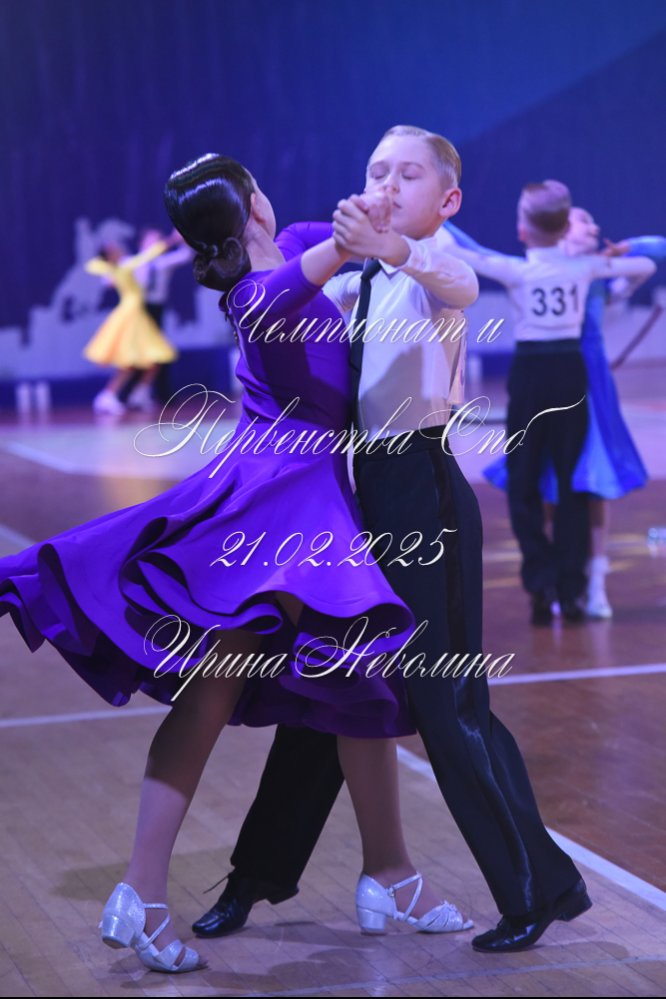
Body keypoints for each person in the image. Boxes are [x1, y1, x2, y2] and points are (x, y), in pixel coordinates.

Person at [0, 153, 477, 975]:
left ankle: (376, 872)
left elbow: (351, 231)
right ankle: (164, 888)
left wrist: (384, 204)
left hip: (300, 493)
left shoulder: (288, 245)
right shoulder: (257, 292)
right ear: (252, 204)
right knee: (280, 683)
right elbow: (321, 260)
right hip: (282, 501)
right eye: (258, 187)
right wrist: (359, 233)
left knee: (330, 683)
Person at [192, 128, 594, 955]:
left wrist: (397, 248)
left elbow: (462, 282)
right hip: (355, 498)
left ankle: (536, 890)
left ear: (446, 200)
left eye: (409, 174)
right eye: (378, 170)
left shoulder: (429, 261)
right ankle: (252, 878)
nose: (389, 182)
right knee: (329, 690)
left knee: (449, 703)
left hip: (422, 492)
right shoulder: (353, 277)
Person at [440, 182, 656, 625]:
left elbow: (468, 254)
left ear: (522, 231)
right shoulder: (585, 268)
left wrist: (436, 217)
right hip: (569, 373)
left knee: (525, 482)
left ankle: (542, 581)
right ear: (561, 230)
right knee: (570, 479)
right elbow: (646, 263)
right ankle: (572, 588)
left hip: (533, 374)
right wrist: (619, 253)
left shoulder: (517, 270)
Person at [83, 232, 182, 416]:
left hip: (136, 312)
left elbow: (98, 269)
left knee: (155, 358)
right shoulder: (124, 266)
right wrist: (172, 240)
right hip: (131, 313)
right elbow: (148, 255)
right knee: (131, 361)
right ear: (110, 255)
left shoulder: (119, 266)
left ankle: (138, 393)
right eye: (113, 249)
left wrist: (108, 268)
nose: (118, 248)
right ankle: (108, 395)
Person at [120, 228, 193, 412]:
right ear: (141, 243)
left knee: (160, 353)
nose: (155, 244)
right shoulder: (135, 262)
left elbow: (185, 255)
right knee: (141, 354)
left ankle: (155, 393)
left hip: (157, 310)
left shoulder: (162, 263)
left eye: (157, 240)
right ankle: (128, 394)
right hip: (140, 311)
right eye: (151, 240)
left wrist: (183, 238)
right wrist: (169, 241)